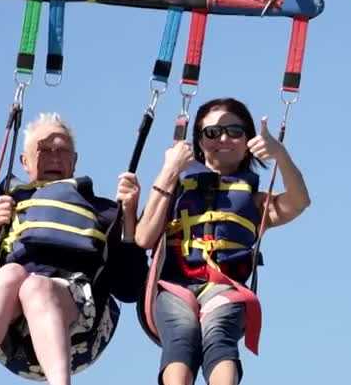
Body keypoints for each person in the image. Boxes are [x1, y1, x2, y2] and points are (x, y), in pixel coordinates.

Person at [128, 97, 311, 385]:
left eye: (234, 131)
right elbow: (143, 237)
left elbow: (299, 202)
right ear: (199, 142)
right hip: (175, 285)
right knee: (181, 335)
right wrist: (169, 170)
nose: (223, 138)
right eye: (212, 133)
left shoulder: (253, 201)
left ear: (248, 139)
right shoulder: (176, 188)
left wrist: (280, 155)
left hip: (225, 288)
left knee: (219, 333)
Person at [0, 113, 147, 385]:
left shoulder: (103, 210)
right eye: (44, 149)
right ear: (24, 161)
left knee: (36, 286)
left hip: (80, 332)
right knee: (10, 273)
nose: (55, 157)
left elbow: (129, 288)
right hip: (11, 337)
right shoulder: (8, 205)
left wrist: (128, 219)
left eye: (63, 150)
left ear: (75, 160)